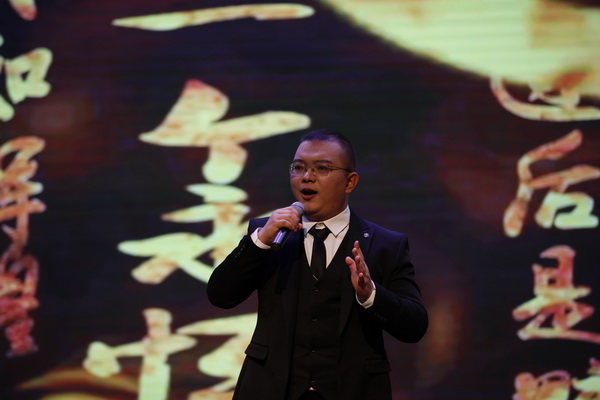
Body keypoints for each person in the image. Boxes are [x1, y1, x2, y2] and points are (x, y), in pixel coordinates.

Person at [206, 129, 428, 400]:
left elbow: (414, 326)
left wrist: (370, 295)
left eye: (322, 168)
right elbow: (221, 296)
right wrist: (259, 242)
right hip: (272, 389)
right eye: (298, 167)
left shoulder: (384, 244)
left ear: (350, 182)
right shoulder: (269, 234)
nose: (307, 177)